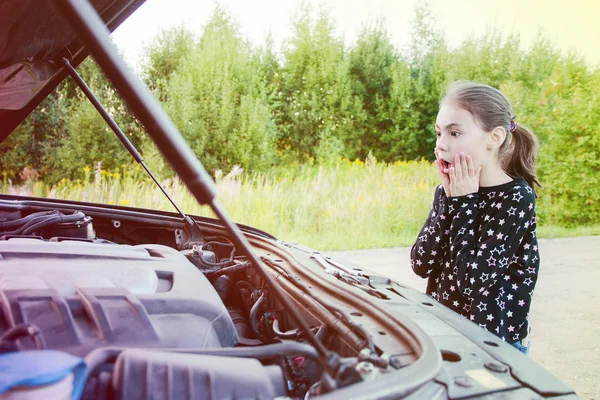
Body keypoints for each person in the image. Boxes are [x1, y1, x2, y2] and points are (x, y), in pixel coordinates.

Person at [410, 81, 541, 355]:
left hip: (494, 347)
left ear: (494, 138)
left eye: (455, 132)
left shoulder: (516, 198)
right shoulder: (451, 190)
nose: (441, 144)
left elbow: (473, 282)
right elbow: (421, 263)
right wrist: (449, 200)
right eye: (438, 133)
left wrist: (463, 203)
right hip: (445, 333)